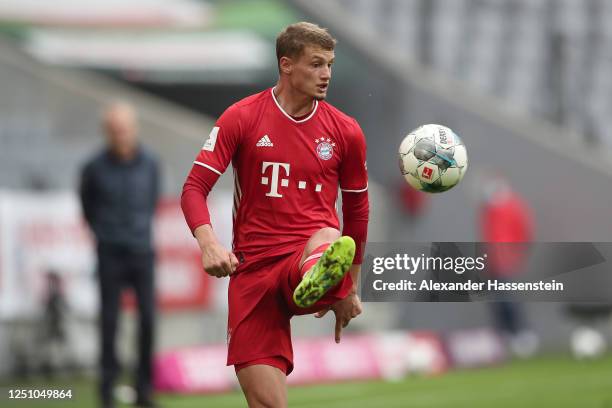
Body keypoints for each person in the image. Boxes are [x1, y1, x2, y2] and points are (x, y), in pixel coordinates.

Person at [181, 22, 369, 408]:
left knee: (327, 236)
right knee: (267, 403)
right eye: (316, 64)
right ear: (286, 65)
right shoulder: (242, 117)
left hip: (305, 254)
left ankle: (321, 275)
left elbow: (357, 211)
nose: (326, 74)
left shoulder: (345, 132)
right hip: (252, 275)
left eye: (330, 64)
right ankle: (321, 275)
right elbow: (193, 189)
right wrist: (209, 244)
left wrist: (350, 283)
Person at [80, 102, 160, 408]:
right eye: (114, 130)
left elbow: (152, 199)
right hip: (109, 253)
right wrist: (105, 232)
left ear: (134, 129)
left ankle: (144, 390)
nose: (120, 135)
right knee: (109, 323)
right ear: (106, 133)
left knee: (148, 321)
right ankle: (106, 392)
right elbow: (87, 207)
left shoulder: (150, 163)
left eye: (124, 129)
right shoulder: (94, 168)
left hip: (142, 251)